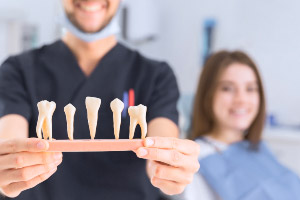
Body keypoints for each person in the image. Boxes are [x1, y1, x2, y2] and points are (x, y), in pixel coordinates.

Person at [0, 0, 200, 199]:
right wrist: (8, 171)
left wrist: (170, 170)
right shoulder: (19, 71)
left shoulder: (156, 76)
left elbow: (161, 151)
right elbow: (10, 138)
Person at [184, 50, 300, 200]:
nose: (241, 99)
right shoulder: (196, 158)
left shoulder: (258, 148)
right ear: (208, 94)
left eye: (250, 89)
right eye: (227, 88)